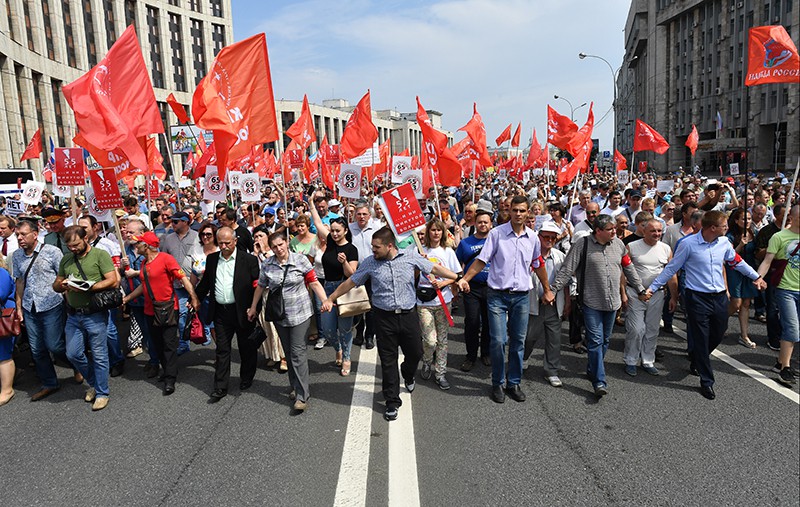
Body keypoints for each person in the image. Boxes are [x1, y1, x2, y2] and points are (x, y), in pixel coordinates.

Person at [322, 226, 461, 421]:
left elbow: (433, 268)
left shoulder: (410, 257)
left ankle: (408, 373)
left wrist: (456, 277)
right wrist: (331, 298)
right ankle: (392, 401)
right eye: (372, 247)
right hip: (384, 318)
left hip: (408, 316)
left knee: (416, 353)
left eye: (376, 247)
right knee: (388, 361)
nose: (373, 250)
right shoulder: (370, 263)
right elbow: (351, 282)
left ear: (389, 246)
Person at [646, 211, 767, 400]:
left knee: (718, 332)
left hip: (718, 297)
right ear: (712, 227)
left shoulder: (724, 243)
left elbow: (737, 262)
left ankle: (697, 357)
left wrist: (756, 277)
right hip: (697, 297)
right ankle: (706, 380)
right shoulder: (688, 244)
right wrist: (653, 288)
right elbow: (672, 268)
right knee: (701, 337)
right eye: (724, 225)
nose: (727, 228)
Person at [458, 196, 554, 404]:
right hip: (497, 296)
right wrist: (465, 279)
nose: (518, 214)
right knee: (499, 340)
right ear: (508, 211)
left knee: (518, 342)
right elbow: (481, 261)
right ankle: (497, 383)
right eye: (514, 210)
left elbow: (538, 264)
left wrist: (547, 289)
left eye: (522, 210)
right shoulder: (496, 234)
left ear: (528, 212)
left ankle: (514, 383)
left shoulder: (533, 238)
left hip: (521, 297)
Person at [551, 214, 646, 397]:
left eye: (614, 229)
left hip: (613, 303)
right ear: (598, 231)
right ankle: (599, 381)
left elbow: (629, 268)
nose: (614, 231)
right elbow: (567, 269)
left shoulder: (618, 244)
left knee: (605, 340)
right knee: (595, 341)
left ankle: (592, 368)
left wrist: (640, 288)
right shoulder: (583, 244)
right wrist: (553, 290)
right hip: (591, 302)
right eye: (610, 229)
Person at [249, 232, 327, 413]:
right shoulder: (268, 264)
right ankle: (295, 385)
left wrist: (325, 300)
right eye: (274, 246)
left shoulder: (300, 260)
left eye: (281, 244)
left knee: (297, 352)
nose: (278, 249)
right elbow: (261, 286)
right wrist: (253, 307)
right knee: (288, 352)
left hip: (300, 314)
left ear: (286, 243)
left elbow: (313, 282)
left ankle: (302, 395)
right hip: (280, 315)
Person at [122, 232, 200, 395]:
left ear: (148, 246)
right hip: (150, 310)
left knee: (168, 345)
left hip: (168, 309)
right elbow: (144, 286)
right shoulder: (143, 263)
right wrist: (127, 298)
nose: (136, 246)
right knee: (157, 344)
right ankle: (166, 371)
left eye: (139, 243)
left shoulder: (165, 259)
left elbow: (183, 278)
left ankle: (170, 378)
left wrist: (193, 297)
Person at [53, 226, 120, 411]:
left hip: (95, 314)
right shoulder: (66, 259)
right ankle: (94, 383)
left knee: (99, 354)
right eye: (69, 246)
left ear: (85, 239)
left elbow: (112, 280)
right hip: (73, 314)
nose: (73, 249)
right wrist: (62, 284)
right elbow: (56, 285)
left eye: (76, 244)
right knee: (72, 353)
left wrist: (89, 287)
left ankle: (102, 393)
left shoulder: (100, 255)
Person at [195, 227, 261, 401]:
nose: (224, 246)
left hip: (243, 311)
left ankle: (246, 377)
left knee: (246, 347)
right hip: (220, 312)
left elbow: (258, 287)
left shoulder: (249, 260)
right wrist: (194, 298)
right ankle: (220, 386)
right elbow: (205, 284)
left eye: (227, 243)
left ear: (235, 241)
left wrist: (255, 308)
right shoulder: (212, 259)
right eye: (221, 243)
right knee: (222, 350)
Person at [12, 219, 74, 401]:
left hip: (51, 304)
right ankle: (49, 383)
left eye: (23, 234)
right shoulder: (16, 256)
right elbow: (20, 281)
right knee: (37, 349)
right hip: (30, 307)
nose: (20, 238)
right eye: (17, 235)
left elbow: (63, 277)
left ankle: (78, 365)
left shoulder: (51, 251)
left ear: (35, 233)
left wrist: (69, 301)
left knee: (54, 345)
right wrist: (19, 307)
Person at [622, 219, 677, 377]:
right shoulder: (631, 247)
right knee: (636, 329)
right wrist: (623, 293)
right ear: (644, 231)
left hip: (657, 295)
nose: (657, 234)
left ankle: (647, 360)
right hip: (635, 294)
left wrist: (674, 297)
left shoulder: (666, 249)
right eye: (653, 231)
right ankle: (631, 360)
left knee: (652, 329)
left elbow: (671, 274)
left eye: (659, 231)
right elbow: (622, 271)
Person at [756, 204, 799, 386]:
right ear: (794, 217)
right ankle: (785, 369)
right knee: (792, 328)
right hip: (785, 288)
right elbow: (767, 261)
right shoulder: (779, 237)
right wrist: (759, 277)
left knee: (796, 328)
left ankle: (780, 361)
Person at [312, 208, 359, 376]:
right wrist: (311, 204)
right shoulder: (330, 242)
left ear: (345, 230)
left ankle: (346, 358)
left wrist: (345, 262)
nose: (334, 233)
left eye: (338, 231)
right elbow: (317, 223)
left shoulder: (352, 249)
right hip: (328, 289)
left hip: (345, 290)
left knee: (345, 329)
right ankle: (337, 348)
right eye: (332, 231)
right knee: (328, 328)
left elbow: (352, 274)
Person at [416, 218, 462, 390]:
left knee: (442, 340)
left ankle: (440, 373)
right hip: (423, 302)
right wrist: (420, 262)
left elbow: (456, 275)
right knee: (429, 340)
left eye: (439, 230)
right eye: (432, 230)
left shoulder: (448, 251)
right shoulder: (420, 250)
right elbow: (413, 275)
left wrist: (444, 283)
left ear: (443, 232)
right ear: (427, 232)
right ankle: (427, 360)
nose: (435, 233)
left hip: (443, 300)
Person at [78, 215, 125, 376]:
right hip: (84, 294)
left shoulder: (108, 245)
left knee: (110, 329)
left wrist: (116, 290)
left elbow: (116, 270)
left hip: (104, 293)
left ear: (95, 227)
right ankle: (99, 360)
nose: (81, 230)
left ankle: (117, 360)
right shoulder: (78, 246)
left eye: (84, 227)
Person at [523, 221, 568, 387]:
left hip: (554, 305)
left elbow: (566, 282)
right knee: (529, 337)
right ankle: (524, 357)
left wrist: (567, 303)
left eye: (553, 237)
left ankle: (552, 371)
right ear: (538, 237)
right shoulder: (529, 255)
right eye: (546, 237)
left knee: (554, 339)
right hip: (532, 303)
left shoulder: (560, 257)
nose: (549, 240)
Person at [160, 210, 202, 356]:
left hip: (195, 282)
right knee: (182, 313)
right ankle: (184, 343)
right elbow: (164, 257)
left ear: (185, 221)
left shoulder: (197, 237)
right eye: (172, 221)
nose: (173, 223)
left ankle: (204, 331)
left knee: (201, 310)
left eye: (176, 221)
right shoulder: (168, 238)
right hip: (176, 284)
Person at [455, 209, 492, 371]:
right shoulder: (465, 243)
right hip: (472, 289)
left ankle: (486, 353)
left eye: (486, 222)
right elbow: (456, 265)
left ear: (491, 224)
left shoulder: (496, 241)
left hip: (492, 289)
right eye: (480, 222)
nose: (483, 224)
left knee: (489, 323)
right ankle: (470, 356)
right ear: (475, 223)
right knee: (472, 322)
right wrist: (461, 281)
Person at [754, 203, 787, 350]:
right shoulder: (767, 232)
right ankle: (774, 338)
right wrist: (775, 246)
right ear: (777, 214)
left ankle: (788, 336)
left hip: (791, 276)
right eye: (786, 214)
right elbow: (759, 254)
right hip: (773, 275)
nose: (789, 217)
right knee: (773, 308)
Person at [725, 208, 757, 349]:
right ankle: (719, 320)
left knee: (746, 303)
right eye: (744, 219)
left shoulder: (752, 233)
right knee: (736, 302)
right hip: (734, 270)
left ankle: (744, 335)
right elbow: (728, 256)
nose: (747, 221)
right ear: (736, 220)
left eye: (749, 219)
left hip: (748, 269)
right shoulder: (730, 236)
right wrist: (740, 245)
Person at [349, 201, 379, 349]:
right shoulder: (349, 229)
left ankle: (369, 336)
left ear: (369, 215)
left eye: (364, 214)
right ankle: (359, 333)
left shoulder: (377, 228)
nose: (361, 217)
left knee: (372, 307)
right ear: (355, 215)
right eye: (359, 214)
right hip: (356, 272)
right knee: (358, 306)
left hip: (373, 272)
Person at [0, 254, 16, 405]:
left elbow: (1, 294)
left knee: (3, 354)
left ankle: (7, 390)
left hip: (3, 319)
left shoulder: (1, 273)